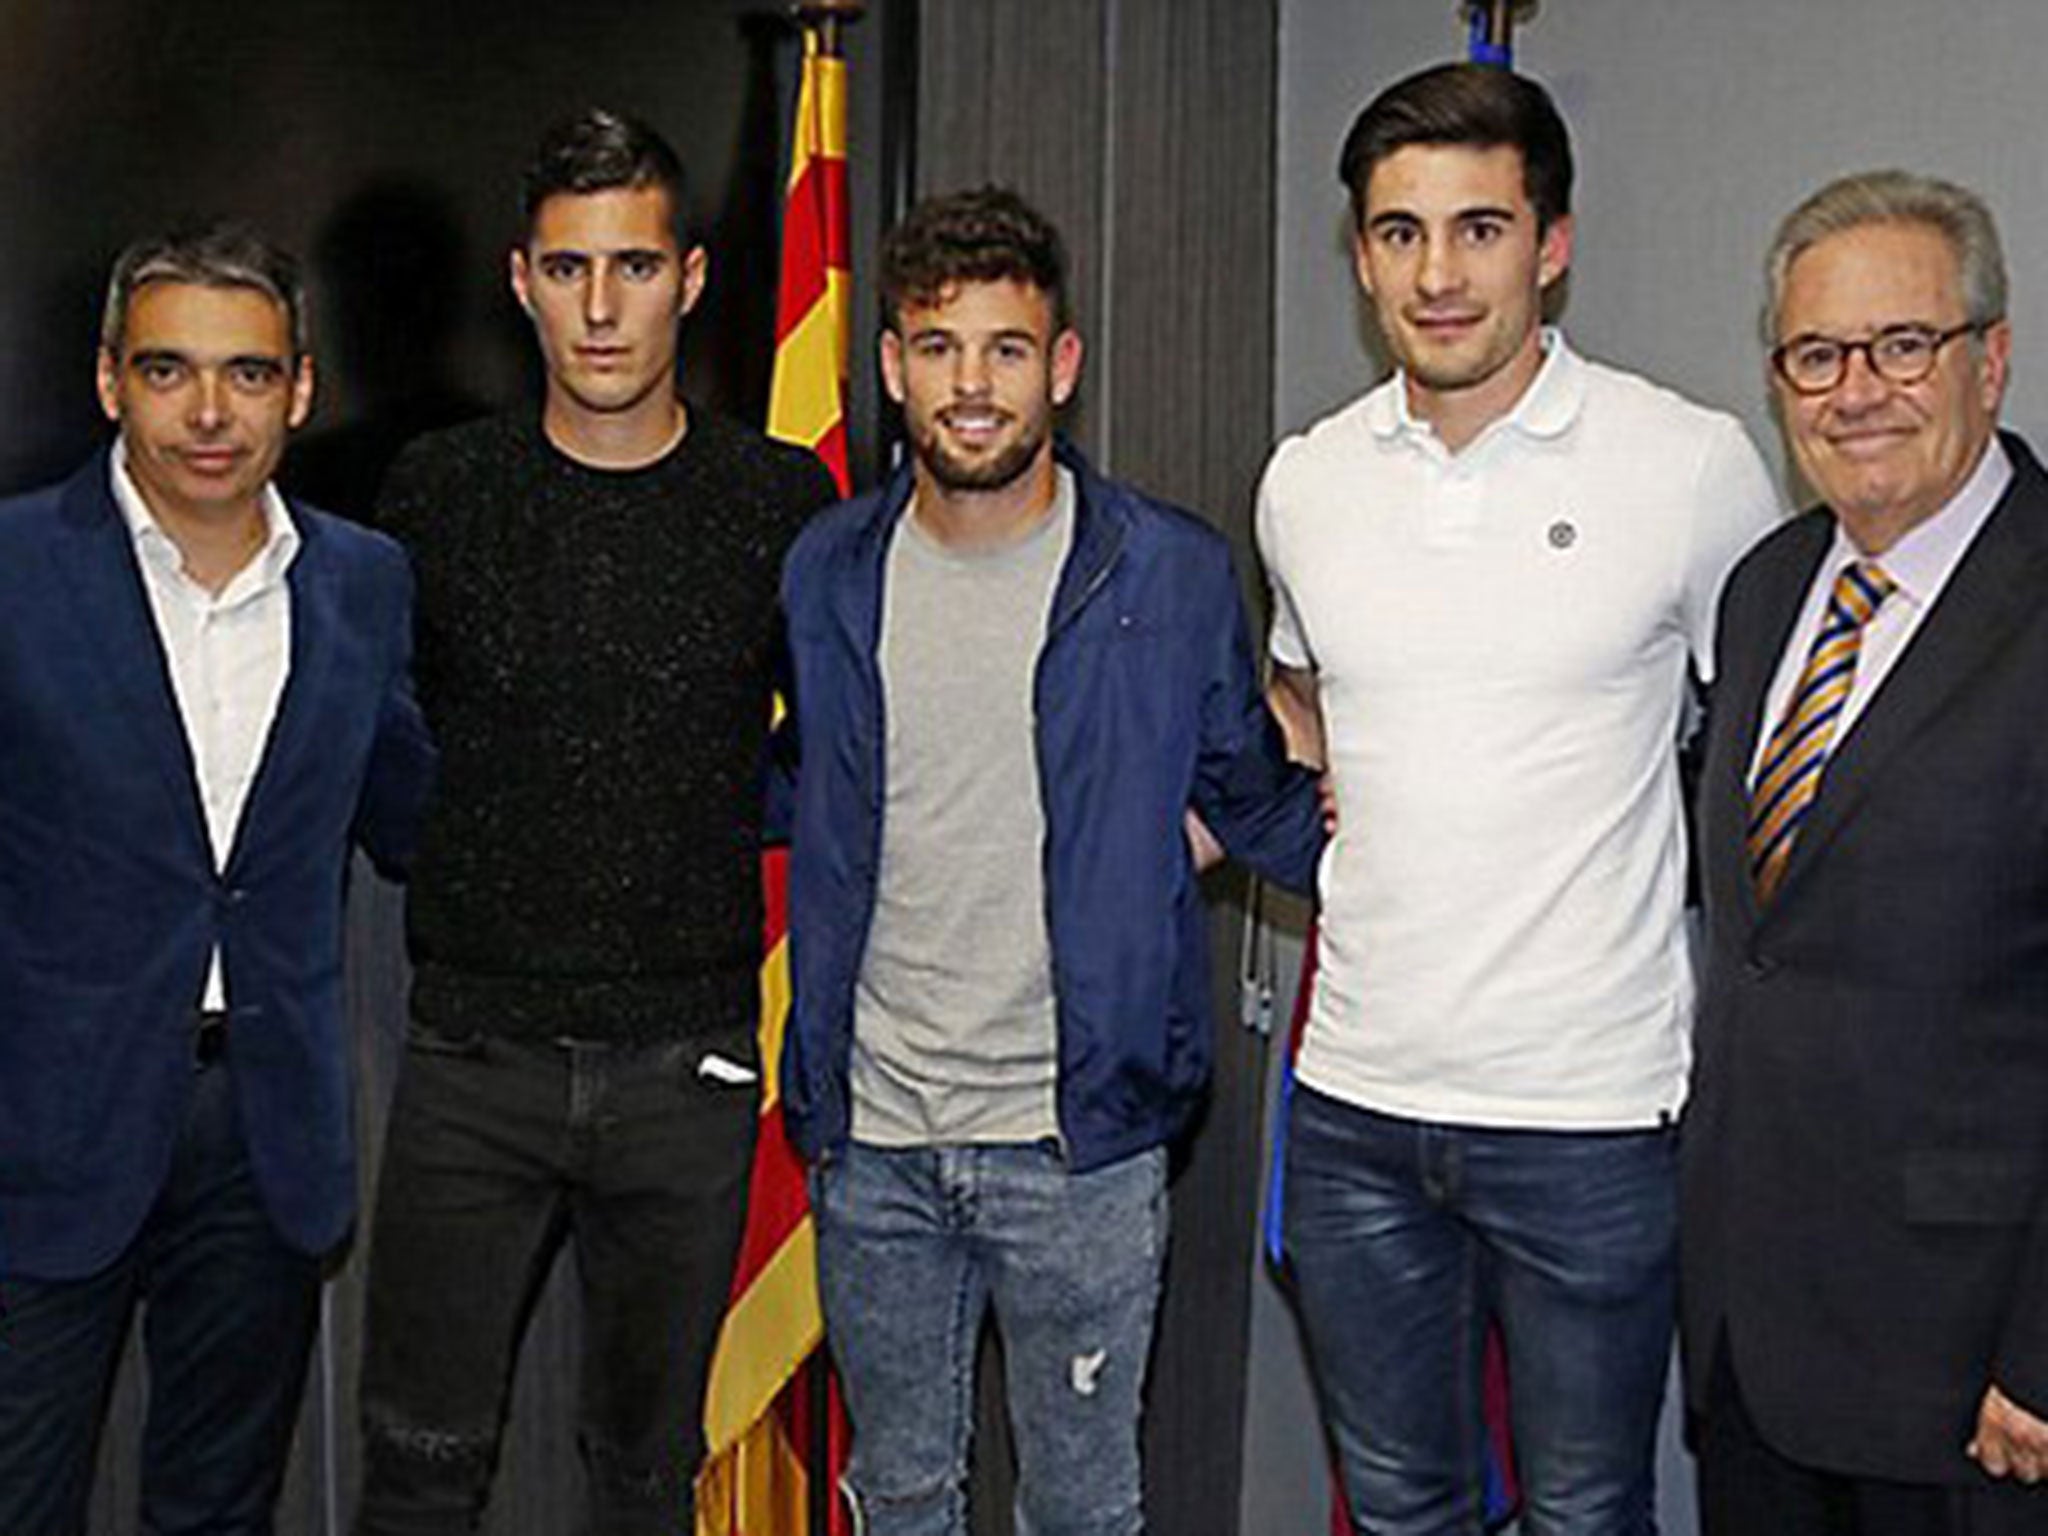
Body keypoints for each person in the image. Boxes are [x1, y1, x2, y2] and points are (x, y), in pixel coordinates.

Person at [1256, 63, 1779, 1533]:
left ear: (1550, 245)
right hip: (1356, 1103)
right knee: (1405, 1503)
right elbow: (1305, 703)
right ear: (1360, 256)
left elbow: (1765, 750)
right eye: (1400, 233)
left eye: (1479, 229)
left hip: (1593, 1115)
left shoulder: (1688, 468)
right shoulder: (1305, 483)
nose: (1438, 274)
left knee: (1585, 1508)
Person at [777, 186, 1325, 1536]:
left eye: (1006, 349)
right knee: (897, 1494)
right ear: (894, 366)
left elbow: (1249, 795)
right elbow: (800, 792)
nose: (973, 386)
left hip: (1079, 1146)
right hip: (876, 1138)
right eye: (942, 348)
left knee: (1084, 1507)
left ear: (1062, 367)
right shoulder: (826, 571)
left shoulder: (1169, 572)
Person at [352, 108, 836, 1534]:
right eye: (571, 270)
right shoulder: (438, 494)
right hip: (469, 1058)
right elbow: (393, 739)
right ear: (521, 281)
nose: (603, 306)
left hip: (685, 1068)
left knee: (642, 1478)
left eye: (635, 266)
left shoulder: (778, 501)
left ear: (690, 279)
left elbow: (826, 751)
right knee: (419, 1469)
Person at [0, 223, 434, 1536]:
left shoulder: (364, 584)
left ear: (299, 390)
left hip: (265, 1133)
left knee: (218, 1510)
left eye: (247, 374)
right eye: (168, 369)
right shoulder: (12, 571)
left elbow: (415, 817)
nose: (207, 410)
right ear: (108, 382)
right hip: (41, 1131)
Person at [1681, 169, 2048, 1536]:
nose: (1858, 391)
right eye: (1816, 355)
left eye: (1905, 345)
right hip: (1753, 1338)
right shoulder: (1768, 591)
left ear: (1990, 359)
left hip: (1973, 1377)